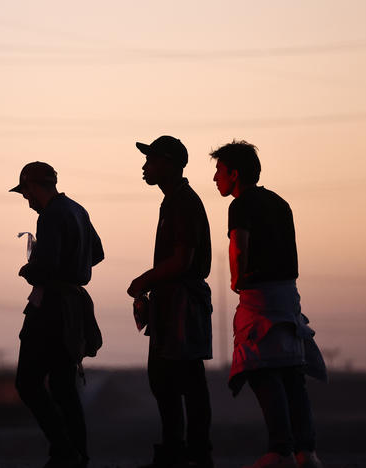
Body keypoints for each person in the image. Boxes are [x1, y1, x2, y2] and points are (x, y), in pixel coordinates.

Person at [210, 141, 327, 468]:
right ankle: (307, 452)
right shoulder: (279, 203)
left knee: (262, 369)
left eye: (219, 172)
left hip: (260, 299)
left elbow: (239, 245)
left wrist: (237, 279)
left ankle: (281, 450)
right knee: (291, 373)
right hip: (288, 296)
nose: (215, 179)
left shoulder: (241, 204)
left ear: (234, 174)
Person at [10, 161, 104, 468]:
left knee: (28, 382)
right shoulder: (77, 210)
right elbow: (98, 253)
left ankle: (63, 450)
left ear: (33, 186)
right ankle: (78, 454)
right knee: (64, 387)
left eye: (26, 193)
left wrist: (29, 268)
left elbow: (46, 267)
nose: (27, 200)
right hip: (73, 309)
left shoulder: (50, 216)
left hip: (50, 307)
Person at [128, 135, 214, 468]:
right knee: (169, 380)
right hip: (172, 302)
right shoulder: (176, 200)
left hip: (182, 304)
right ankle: (181, 452)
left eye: (150, 160)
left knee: (184, 381)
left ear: (167, 162)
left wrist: (143, 281)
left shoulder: (182, 202)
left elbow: (182, 260)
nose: (144, 167)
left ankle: (191, 454)